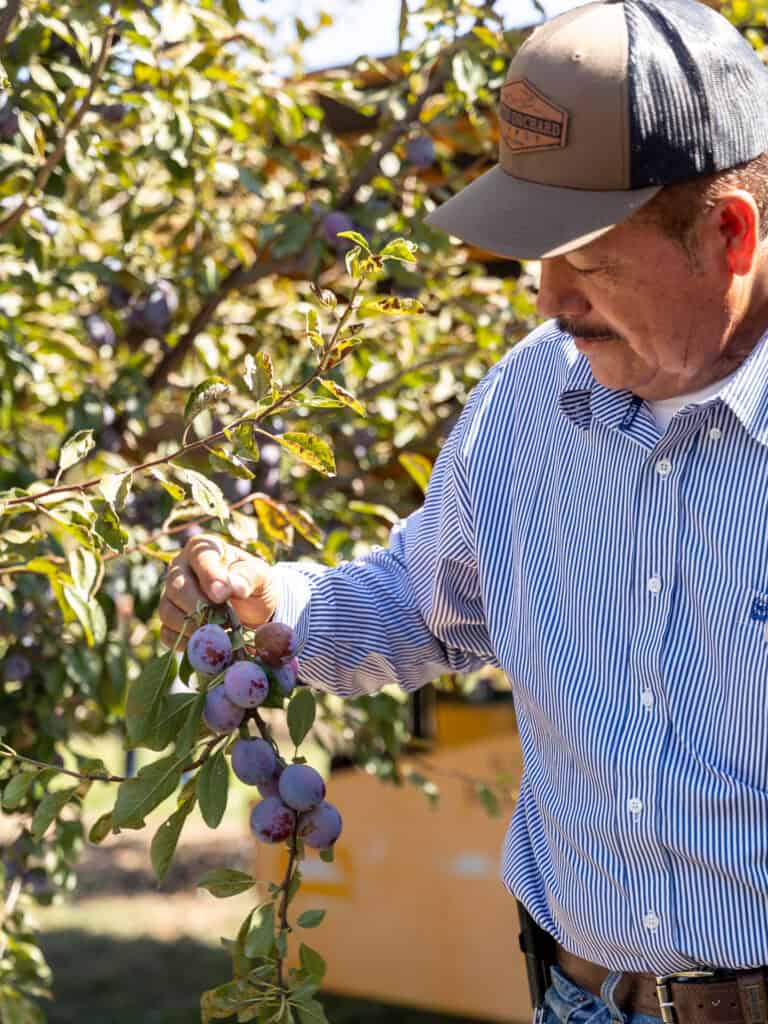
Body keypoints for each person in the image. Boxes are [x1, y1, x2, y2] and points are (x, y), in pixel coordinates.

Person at [159, 2, 768, 1021]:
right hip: (584, 1001)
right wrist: (274, 605)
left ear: (728, 235)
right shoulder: (532, 401)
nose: (546, 299)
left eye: (587, 258)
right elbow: (423, 602)